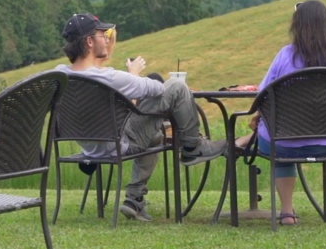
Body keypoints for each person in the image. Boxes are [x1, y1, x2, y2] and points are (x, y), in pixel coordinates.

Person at [55, 13, 225, 222]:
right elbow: (156, 89)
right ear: (89, 42)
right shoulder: (109, 77)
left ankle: (134, 199)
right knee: (178, 87)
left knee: (154, 137)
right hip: (119, 143)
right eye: (102, 35)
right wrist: (132, 74)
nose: (107, 39)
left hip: (90, 148)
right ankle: (193, 146)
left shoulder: (59, 75)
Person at [247, 0, 326, 226]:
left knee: (279, 144)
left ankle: (287, 213)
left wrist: (259, 116)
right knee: (279, 136)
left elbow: (262, 98)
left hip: (282, 142)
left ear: (297, 26)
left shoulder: (284, 56)